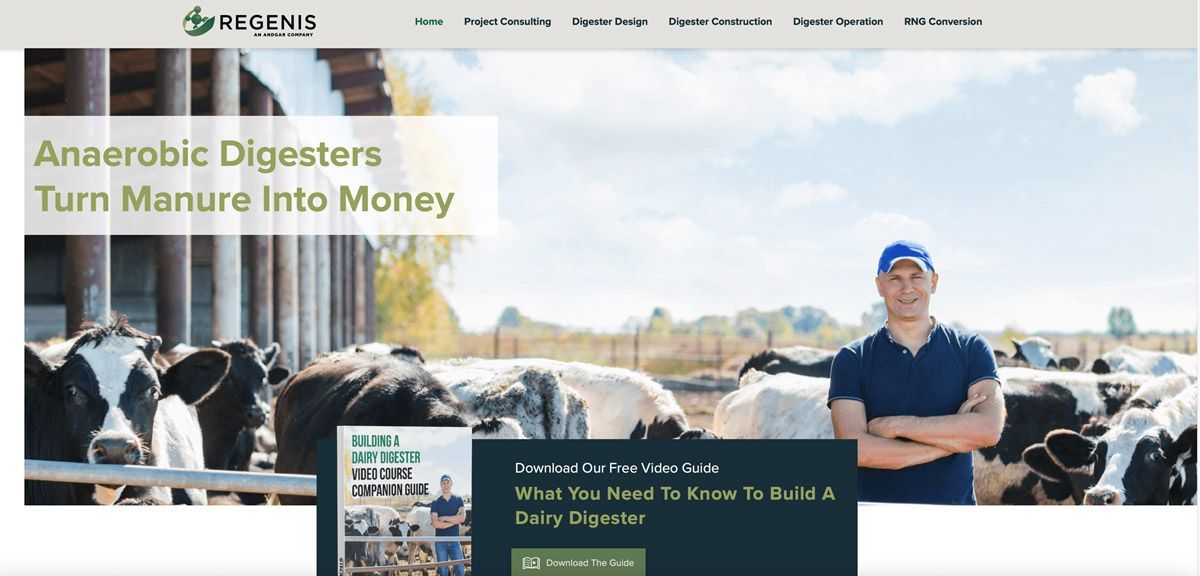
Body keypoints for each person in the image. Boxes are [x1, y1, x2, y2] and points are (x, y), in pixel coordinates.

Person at [827, 240, 1005, 504]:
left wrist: (895, 425)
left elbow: (988, 429)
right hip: (873, 516)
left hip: (953, 518)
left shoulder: (970, 348)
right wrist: (952, 440)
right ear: (879, 285)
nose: (907, 288)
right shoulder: (853, 358)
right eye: (895, 278)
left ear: (933, 282)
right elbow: (856, 451)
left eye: (916, 277)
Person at [429, 474, 467, 576]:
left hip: (455, 541)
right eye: (443, 483)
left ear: (451, 484)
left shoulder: (458, 499)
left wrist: (445, 518)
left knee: (460, 570)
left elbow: (462, 518)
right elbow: (435, 524)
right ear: (440, 485)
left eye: (448, 482)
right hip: (440, 542)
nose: (446, 485)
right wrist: (455, 520)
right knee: (443, 572)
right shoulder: (435, 502)